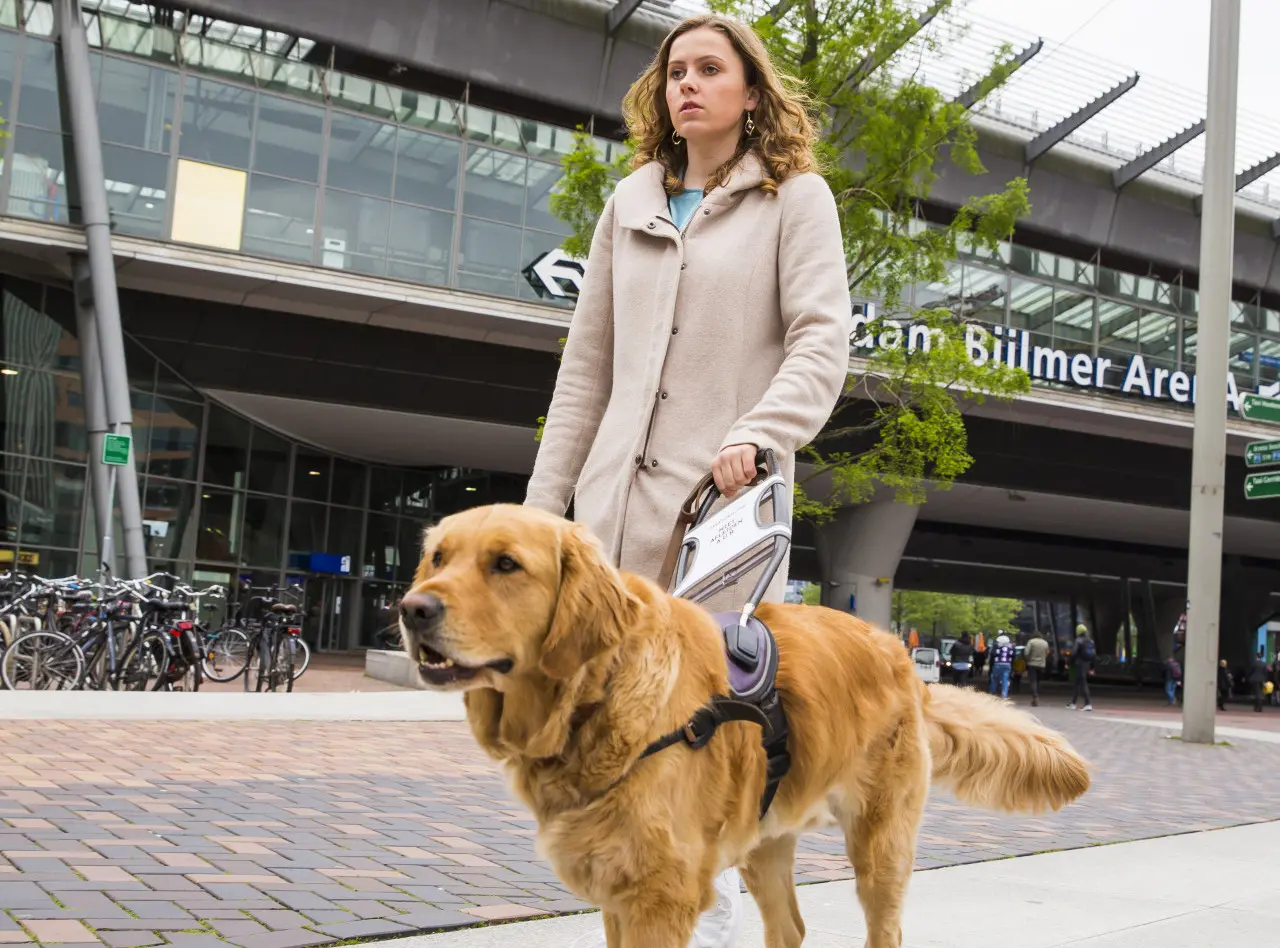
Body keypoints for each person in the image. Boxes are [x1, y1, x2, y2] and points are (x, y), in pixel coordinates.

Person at [526, 13, 851, 948]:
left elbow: (821, 342)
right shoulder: (629, 199)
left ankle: (704, 926)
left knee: (696, 752)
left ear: (752, 92)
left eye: (711, 69)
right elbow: (584, 371)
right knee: (604, 757)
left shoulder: (797, 200)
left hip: (716, 526)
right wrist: (543, 515)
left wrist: (761, 430)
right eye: (676, 71)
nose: (688, 85)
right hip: (606, 530)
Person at [1066, 623, 1095, 711]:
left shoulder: (1078, 640)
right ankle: (1073, 703)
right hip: (1087, 664)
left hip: (1080, 664)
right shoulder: (1091, 641)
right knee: (1078, 683)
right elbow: (1094, 655)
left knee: (1083, 683)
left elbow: (1074, 653)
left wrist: (1068, 663)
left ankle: (1087, 703)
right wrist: (1092, 668)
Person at [1024, 629, 1050, 707]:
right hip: (1041, 665)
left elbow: (1026, 653)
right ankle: (1036, 695)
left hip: (1032, 664)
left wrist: (1027, 659)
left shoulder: (1031, 642)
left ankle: (1035, 696)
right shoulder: (1045, 643)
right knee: (1038, 681)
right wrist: (1043, 659)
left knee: (1033, 681)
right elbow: (1047, 653)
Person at [989, 632, 1014, 699]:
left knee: (994, 679)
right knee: (1005, 679)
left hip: (997, 664)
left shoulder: (996, 646)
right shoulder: (1010, 647)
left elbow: (992, 655)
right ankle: (1004, 695)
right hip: (1007, 664)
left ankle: (993, 693)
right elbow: (1013, 656)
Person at [1247, 649, 1268, 713]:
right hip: (1262, 679)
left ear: (1256, 657)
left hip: (1255, 679)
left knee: (1257, 693)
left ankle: (1259, 707)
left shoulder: (1254, 663)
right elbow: (1265, 673)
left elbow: (1251, 671)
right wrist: (1265, 680)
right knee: (1260, 693)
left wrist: (1248, 677)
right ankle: (1257, 707)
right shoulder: (1264, 664)